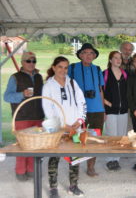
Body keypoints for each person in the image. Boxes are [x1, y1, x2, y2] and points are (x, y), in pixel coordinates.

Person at [42, 56, 86, 197]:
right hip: (58, 129)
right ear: (54, 67)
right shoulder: (48, 86)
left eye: (65, 67)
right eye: (60, 67)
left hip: (75, 128)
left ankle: (73, 185)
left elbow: (81, 102)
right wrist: (64, 126)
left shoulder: (72, 82)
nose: (63, 70)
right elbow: (48, 110)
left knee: (75, 157)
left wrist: (79, 120)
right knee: (54, 157)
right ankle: (53, 188)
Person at [4, 51, 45, 181]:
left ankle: (32, 170)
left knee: (36, 146)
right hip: (22, 117)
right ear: (22, 62)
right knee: (22, 146)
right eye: (28, 61)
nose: (31, 63)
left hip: (38, 116)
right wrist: (22, 94)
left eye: (34, 61)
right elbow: (7, 97)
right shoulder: (15, 77)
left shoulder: (38, 77)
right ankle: (20, 171)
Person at [68, 43, 105, 177]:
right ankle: (75, 168)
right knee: (77, 139)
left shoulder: (98, 69)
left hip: (97, 110)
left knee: (94, 140)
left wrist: (103, 110)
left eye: (91, 53)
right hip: (78, 111)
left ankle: (91, 167)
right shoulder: (72, 68)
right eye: (85, 53)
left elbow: (101, 91)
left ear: (94, 56)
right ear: (80, 55)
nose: (88, 55)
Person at [103, 51, 128, 171]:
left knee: (120, 136)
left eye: (120, 58)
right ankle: (109, 159)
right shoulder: (105, 74)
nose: (118, 60)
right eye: (116, 58)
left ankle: (116, 159)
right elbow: (100, 91)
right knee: (111, 135)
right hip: (110, 110)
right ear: (110, 60)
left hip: (123, 110)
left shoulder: (125, 74)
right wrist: (107, 104)